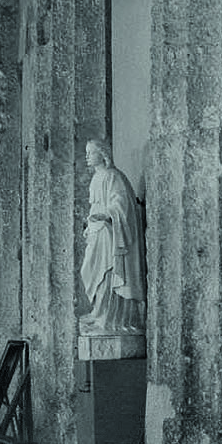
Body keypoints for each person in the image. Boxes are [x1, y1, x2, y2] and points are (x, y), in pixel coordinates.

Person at [78, 139, 144, 336]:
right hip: (97, 233)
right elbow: (94, 207)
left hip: (110, 234)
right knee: (91, 270)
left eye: (91, 153)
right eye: (87, 153)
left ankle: (109, 317)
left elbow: (121, 203)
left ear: (103, 154)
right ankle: (99, 312)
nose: (87, 157)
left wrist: (107, 215)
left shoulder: (113, 176)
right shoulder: (96, 178)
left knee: (109, 273)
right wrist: (90, 225)